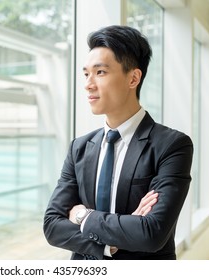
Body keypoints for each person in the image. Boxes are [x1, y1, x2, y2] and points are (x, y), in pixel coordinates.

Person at [43, 25, 193, 260]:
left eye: (100, 72)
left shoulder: (172, 145)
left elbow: (151, 233)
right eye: (86, 74)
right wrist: (110, 245)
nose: (88, 84)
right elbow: (52, 226)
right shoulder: (79, 148)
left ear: (133, 78)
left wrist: (84, 216)